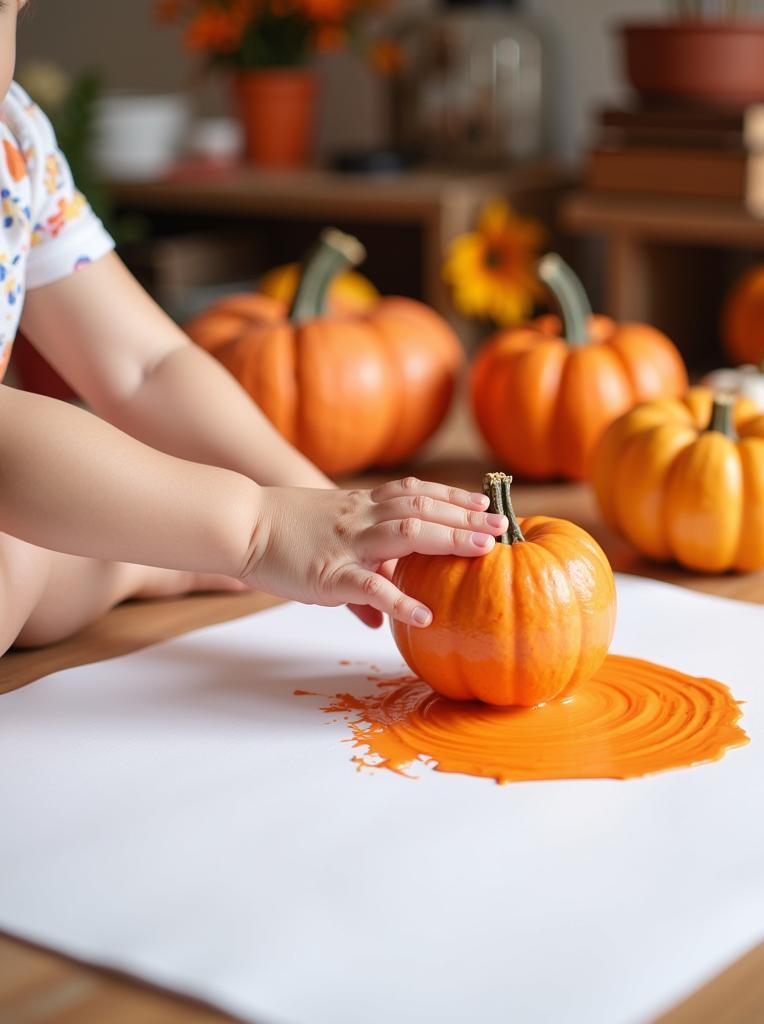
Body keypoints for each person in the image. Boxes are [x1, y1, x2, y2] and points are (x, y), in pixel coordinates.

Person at [0, 0, 506, 656]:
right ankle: (144, 562)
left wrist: (318, 506)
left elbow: (145, 364)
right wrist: (256, 529)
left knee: (41, 530)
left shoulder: (15, 142)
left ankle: (146, 554)